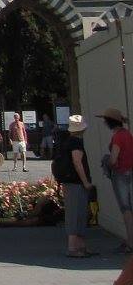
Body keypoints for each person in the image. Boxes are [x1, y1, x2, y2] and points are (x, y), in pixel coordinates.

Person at [53, 114, 97, 257]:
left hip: (70, 181)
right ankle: (73, 247)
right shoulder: (76, 143)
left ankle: (81, 246)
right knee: (75, 213)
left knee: (79, 213)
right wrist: (86, 181)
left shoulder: (68, 141)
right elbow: (78, 163)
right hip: (75, 182)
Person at [104, 107, 133, 251]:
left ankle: (130, 241)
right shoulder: (127, 134)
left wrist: (106, 164)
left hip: (121, 173)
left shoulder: (117, 137)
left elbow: (114, 159)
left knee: (126, 208)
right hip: (130, 171)